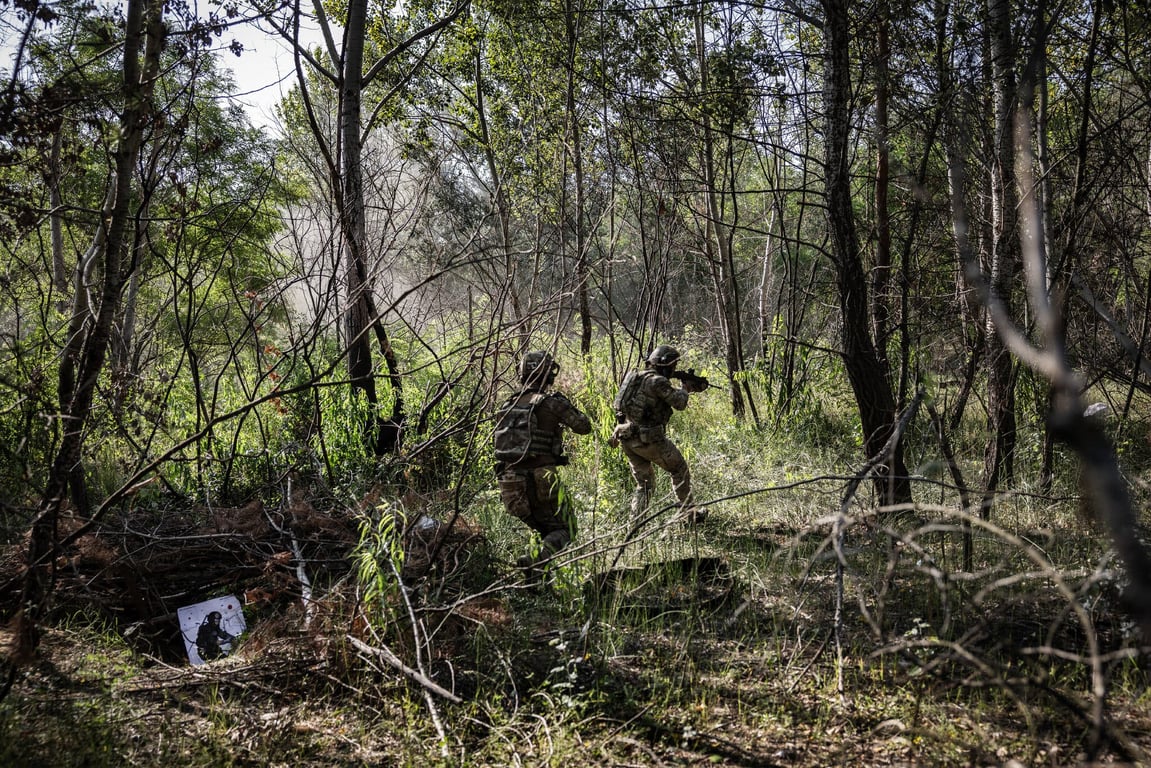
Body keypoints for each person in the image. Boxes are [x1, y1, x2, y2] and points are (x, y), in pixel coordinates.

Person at [493, 351, 592, 580]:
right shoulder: (551, 403)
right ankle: (535, 561)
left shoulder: (507, 404)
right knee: (565, 529)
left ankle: (537, 579)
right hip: (542, 478)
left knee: (543, 529)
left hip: (509, 482)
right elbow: (584, 427)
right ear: (547, 375)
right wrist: (564, 406)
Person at [611, 345, 706, 523]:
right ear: (664, 365)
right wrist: (686, 389)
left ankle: (634, 525)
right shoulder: (657, 381)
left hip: (627, 436)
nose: (674, 369)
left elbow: (620, 407)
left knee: (644, 485)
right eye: (673, 366)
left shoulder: (635, 376)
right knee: (679, 469)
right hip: (649, 440)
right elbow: (679, 403)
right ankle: (689, 515)